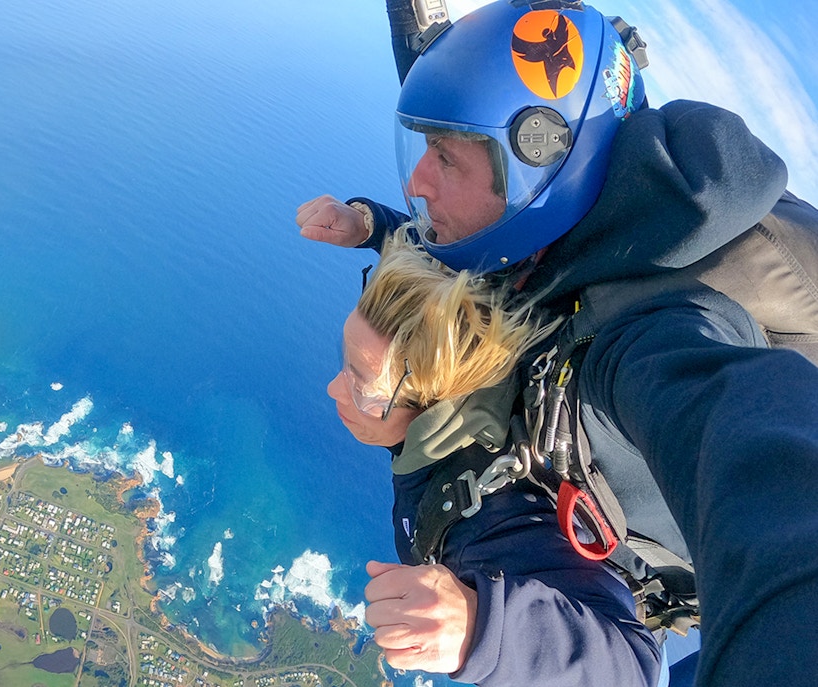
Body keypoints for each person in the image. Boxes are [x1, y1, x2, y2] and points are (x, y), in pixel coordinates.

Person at [297, 2, 818, 685]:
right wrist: (372, 225)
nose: (417, 182)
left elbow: (770, 467)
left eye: (446, 156)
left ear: (540, 164)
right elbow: (478, 263)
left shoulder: (651, 329)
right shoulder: (581, 216)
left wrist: (489, 630)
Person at [329, 230, 662, 685]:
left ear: (430, 404)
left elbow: (636, 668)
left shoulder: (494, 521)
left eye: (362, 388)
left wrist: (483, 630)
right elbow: (446, 261)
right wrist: (370, 225)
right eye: (345, 365)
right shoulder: (451, 415)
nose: (334, 390)